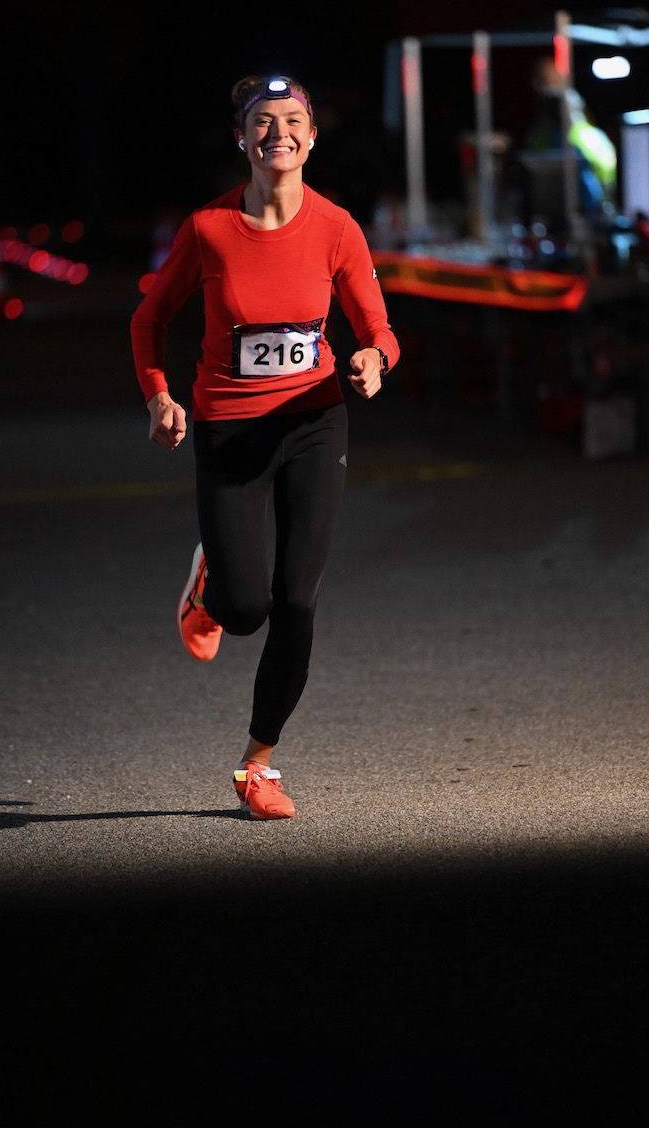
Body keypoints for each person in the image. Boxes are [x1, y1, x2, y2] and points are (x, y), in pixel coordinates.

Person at [130, 74, 400, 820]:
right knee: (245, 607)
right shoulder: (209, 229)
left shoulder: (338, 228)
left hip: (316, 421)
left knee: (297, 600)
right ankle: (209, 584)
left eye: (292, 121)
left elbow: (379, 329)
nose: (278, 131)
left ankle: (257, 767)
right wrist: (159, 396)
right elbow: (148, 322)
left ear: (312, 139)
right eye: (262, 121)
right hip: (230, 427)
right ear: (242, 140)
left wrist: (373, 360)